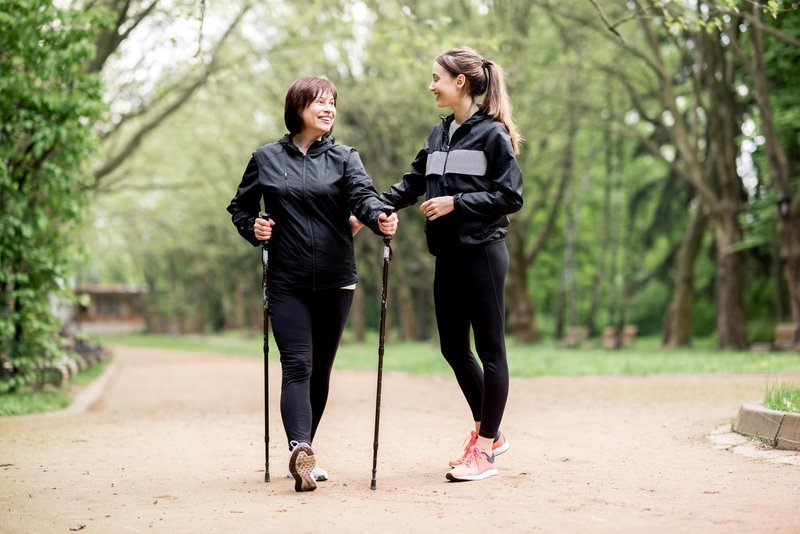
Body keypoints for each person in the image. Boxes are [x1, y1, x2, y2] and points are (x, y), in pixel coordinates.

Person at [227, 76, 398, 492]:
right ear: (298, 107)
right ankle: (300, 445)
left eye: (332, 103)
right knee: (298, 365)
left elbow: (363, 196)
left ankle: (305, 453)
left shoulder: (344, 157)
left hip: (337, 280)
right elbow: (240, 207)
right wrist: (255, 227)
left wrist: (379, 216)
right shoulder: (265, 158)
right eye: (319, 101)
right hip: (287, 279)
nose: (328, 109)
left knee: (320, 369)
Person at [380, 46, 523, 482]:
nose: (431, 86)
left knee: (491, 351)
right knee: (452, 348)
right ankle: (490, 434)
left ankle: (485, 450)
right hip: (448, 255)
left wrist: (456, 202)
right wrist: (368, 211)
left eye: (436, 78)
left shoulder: (493, 134)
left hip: (483, 251)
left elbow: (511, 196)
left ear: (460, 82)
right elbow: (412, 182)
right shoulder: (439, 134)